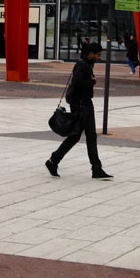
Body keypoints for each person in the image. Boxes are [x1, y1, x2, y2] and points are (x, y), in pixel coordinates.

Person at [45, 42, 113, 180]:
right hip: (82, 106)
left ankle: (95, 168)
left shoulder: (86, 65)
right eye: (98, 55)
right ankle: (54, 160)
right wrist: (92, 82)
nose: (100, 57)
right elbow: (77, 83)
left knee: (87, 137)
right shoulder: (82, 66)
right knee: (79, 137)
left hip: (85, 105)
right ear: (91, 54)